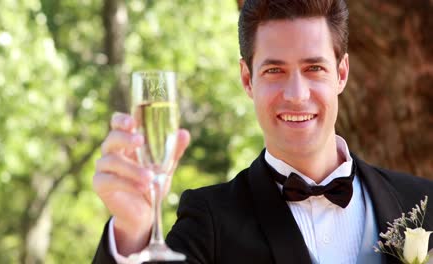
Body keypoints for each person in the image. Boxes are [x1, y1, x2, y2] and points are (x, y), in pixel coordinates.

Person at [92, 0, 433, 263]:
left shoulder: (423, 202)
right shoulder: (209, 220)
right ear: (246, 79)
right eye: (274, 70)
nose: (297, 94)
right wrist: (132, 232)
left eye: (314, 67)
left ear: (341, 73)